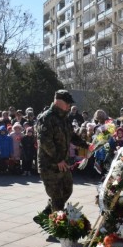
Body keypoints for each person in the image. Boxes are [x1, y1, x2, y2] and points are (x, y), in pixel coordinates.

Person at [35, 90, 90, 220]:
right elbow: (45, 142)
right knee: (57, 196)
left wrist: (87, 145)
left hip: (62, 163)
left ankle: (47, 212)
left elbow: (71, 135)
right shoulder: (46, 118)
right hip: (50, 164)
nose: (69, 106)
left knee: (67, 189)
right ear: (59, 102)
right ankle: (56, 225)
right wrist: (58, 159)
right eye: (68, 103)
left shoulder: (64, 117)